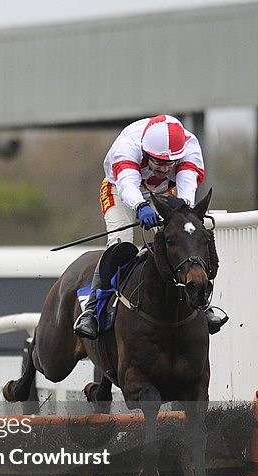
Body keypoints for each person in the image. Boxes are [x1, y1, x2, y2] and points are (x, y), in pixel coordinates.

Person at [73, 115, 227, 339]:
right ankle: (91, 312)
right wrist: (140, 205)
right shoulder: (126, 148)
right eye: (159, 163)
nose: (165, 169)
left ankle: (202, 304)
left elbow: (185, 196)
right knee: (120, 243)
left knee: (183, 240)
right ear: (145, 153)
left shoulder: (190, 148)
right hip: (119, 189)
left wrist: (180, 218)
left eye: (170, 163)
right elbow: (127, 184)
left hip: (164, 193)